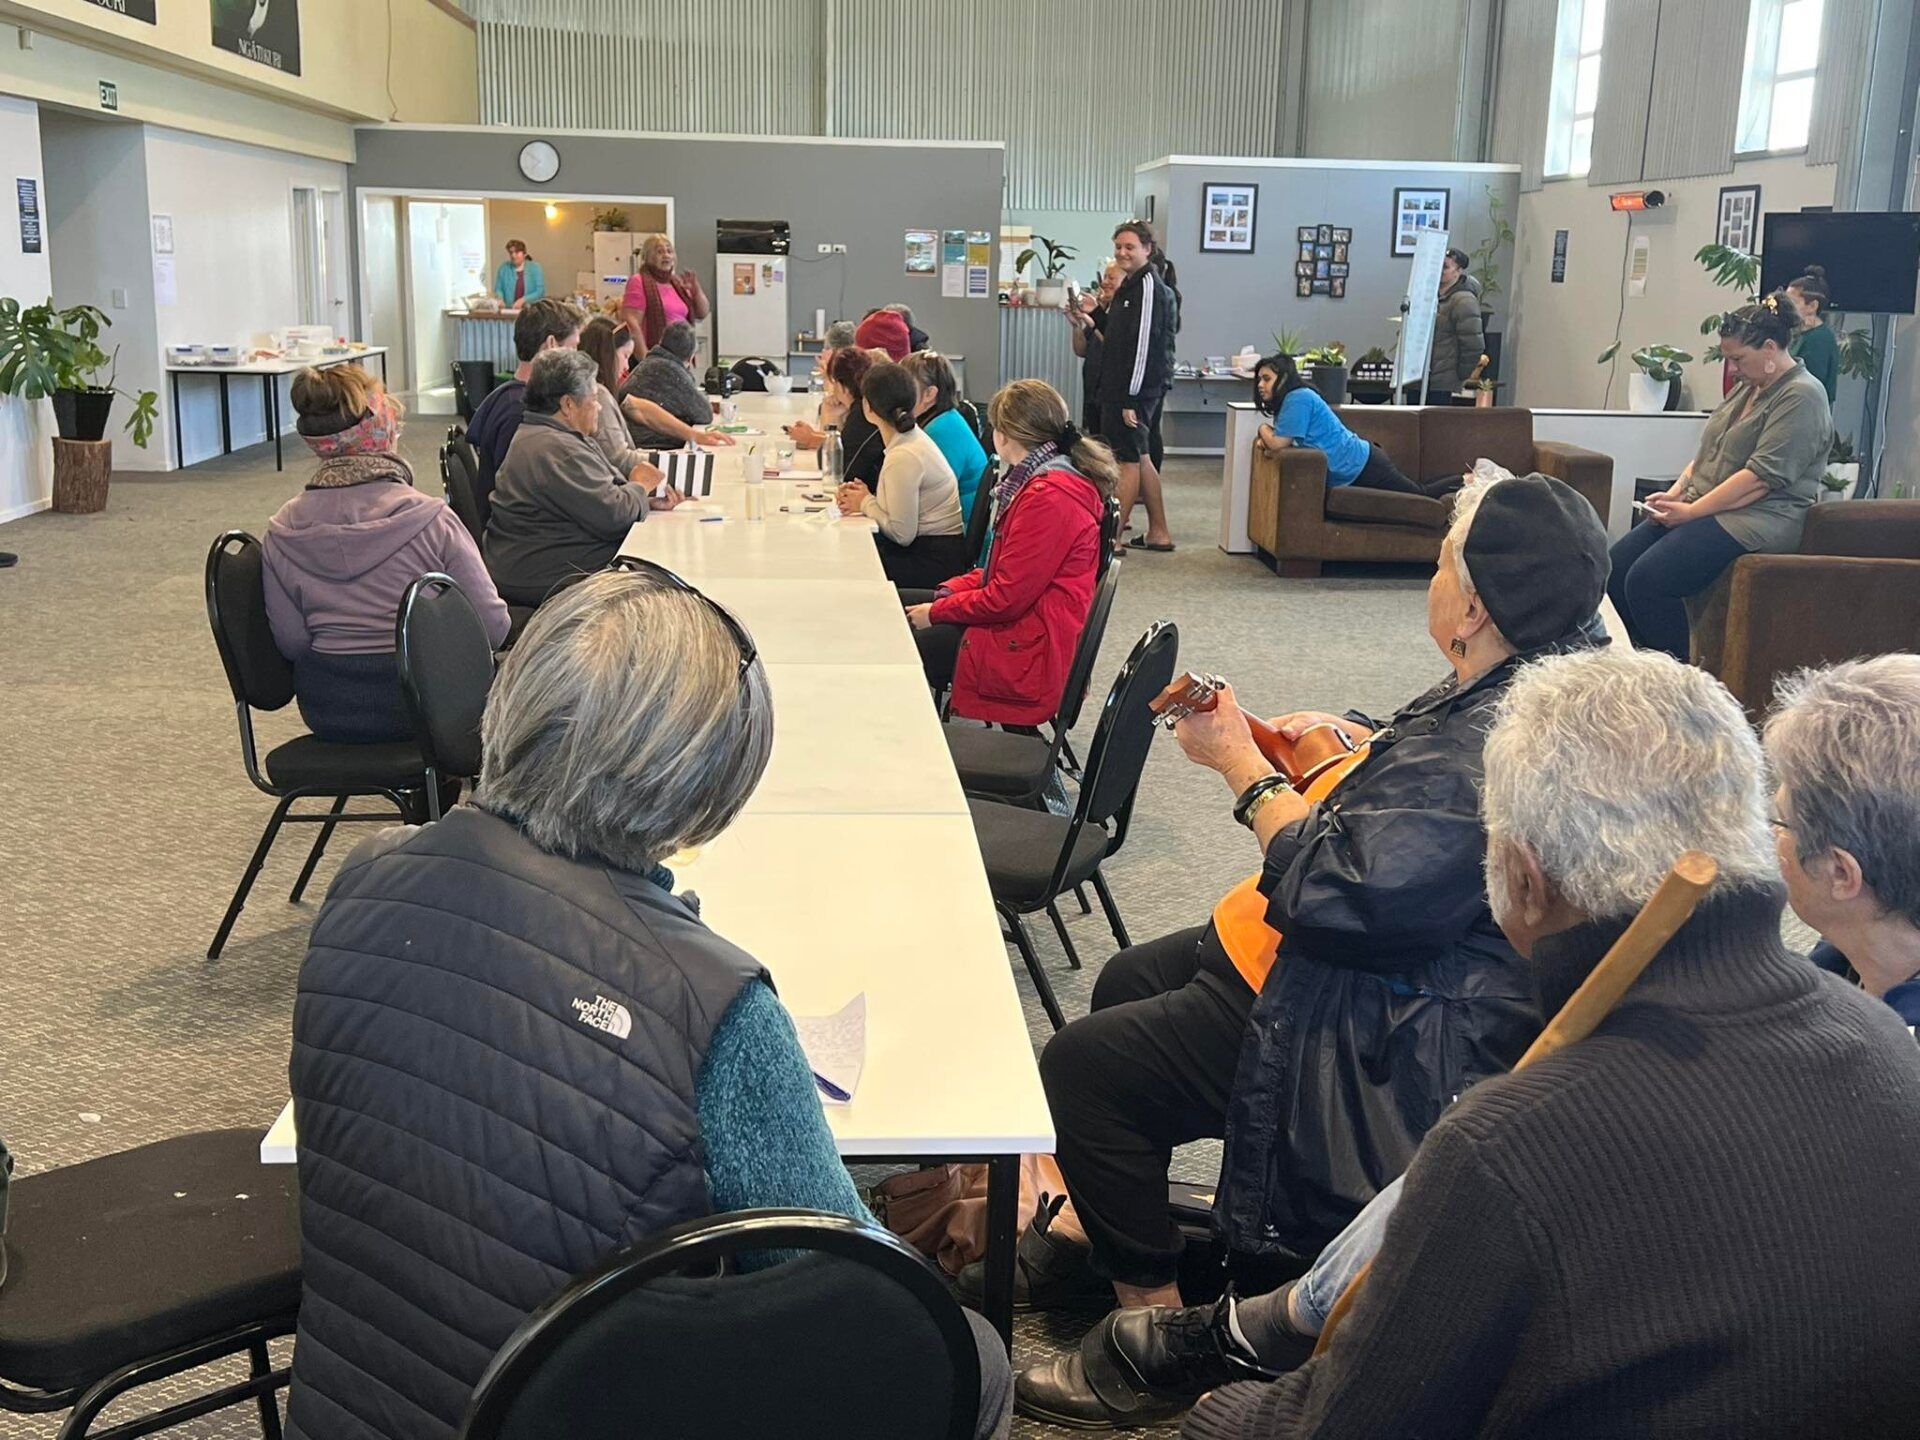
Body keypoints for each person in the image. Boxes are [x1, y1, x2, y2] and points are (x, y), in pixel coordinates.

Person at [1026, 656, 1920, 1417]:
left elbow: (1341, 1421)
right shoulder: (1877, 1042)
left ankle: (1216, 1334)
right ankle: (1244, 1320)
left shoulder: (1513, 1143)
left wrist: (1212, 1416)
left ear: (1521, 879)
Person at [280, 567, 1012, 1440]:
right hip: (572, 1411)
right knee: (970, 1355)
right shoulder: (714, 1009)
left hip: (356, 1406)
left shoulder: (366, 877)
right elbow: (862, 1300)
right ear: (706, 789)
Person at [1008, 474, 1613, 1427]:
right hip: (1398, 966)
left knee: (1083, 1070)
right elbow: (1413, 815)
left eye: (1444, 564)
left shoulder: (1485, 747)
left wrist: (1244, 771)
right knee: (1127, 979)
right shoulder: (1531, 679)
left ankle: (1155, 1337)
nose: (1434, 578)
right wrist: (1348, 749)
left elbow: (1346, 894)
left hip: (1392, 1015)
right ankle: (1122, 1234)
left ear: (1473, 611)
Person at [263, 365, 509, 744]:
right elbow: (493, 628)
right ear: (382, 429)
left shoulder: (282, 531)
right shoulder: (432, 520)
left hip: (328, 707)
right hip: (431, 704)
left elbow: (291, 642)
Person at [1608, 294, 1832, 660]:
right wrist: (1677, 493)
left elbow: (1760, 478)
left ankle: (1679, 678)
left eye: (1738, 358)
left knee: (1649, 581)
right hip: (1710, 505)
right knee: (1615, 569)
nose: (1733, 368)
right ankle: (1641, 665)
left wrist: (1691, 513)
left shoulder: (1802, 396)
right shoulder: (1749, 387)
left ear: (1770, 348)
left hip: (1760, 516)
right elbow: (1708, 451)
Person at [901, 380, 1109, 721]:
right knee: (897, 605)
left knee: (900, 644)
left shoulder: (1048, 498)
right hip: (1028, 629)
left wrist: (937, 611)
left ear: (1005, 435)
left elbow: (1006, 598)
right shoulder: (1044, 481)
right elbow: (1005, 575)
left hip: (1026, 647)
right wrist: (947, 594)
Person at [485, 350, 679, 606]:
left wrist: (643, 499)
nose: (599, 407)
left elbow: (602, 498)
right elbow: (614, 517)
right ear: (568, 404)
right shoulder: (559, 450)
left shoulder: (546, 436)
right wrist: (641, 485)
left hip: (536, 562)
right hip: (548, 574)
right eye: (594, 398)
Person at [837, 361, 966, 589]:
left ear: (868, 407)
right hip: (934, 552)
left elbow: (901, 534)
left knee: (848, 565)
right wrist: (863, 497)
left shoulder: (904, 455)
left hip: (931, 562)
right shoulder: (911, 439)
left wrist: (865, 502)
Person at [467, 298, 584, 527]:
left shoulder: (507, 397)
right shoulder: (520, 414)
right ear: (551, 344)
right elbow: (522, 496)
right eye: (574, 348)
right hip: (518, 532)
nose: (577, 359)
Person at [1099, 221, 1175, 551]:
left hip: (1134, 391)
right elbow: (1117, 337)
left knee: (1127, 461)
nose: (1122, 253)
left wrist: (1131, 397)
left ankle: (1113, 538)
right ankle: (1159, 531)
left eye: (1129, 247)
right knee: (1141, 458)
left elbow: (1143, 345)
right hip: (1127, 388)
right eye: (1118, 247)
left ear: (1147, 249)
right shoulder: (1129, 285)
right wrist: (1092, 316)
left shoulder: (1147, 287)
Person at [1252, 352, 1420, 494]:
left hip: (1362, 464)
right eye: (1259, 379)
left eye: (1266, 379)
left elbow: (1278, 443)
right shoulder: (1292, 400)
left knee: (1419, 495)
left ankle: (1440, 491)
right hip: (1353, 466)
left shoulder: (1297, 398)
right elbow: (1285, 440)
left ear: (1283, 379)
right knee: (1417, 493)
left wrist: (1263, 428)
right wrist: (1268, 438)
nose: (1260, 385)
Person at [901, 349, 989, 521]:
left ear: (929, 394)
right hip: (952, 519)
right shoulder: (945, 419)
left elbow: (928, 497)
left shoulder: (941, 430)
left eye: (905, 387)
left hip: (956, 525)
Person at [577, 315, 664, 486]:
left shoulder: (598, 392)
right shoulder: (599, 395)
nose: (627, 366)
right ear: (607, 354)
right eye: (625, 356)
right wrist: (669, 461)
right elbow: (619, 458)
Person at [619, 320, 733, 450]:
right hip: (654, 447)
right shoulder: (672, 371)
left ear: (661, 342)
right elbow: (705, 414)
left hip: (635, 445)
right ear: (690, 358)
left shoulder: (648, 363)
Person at [803, 345, 886, 489]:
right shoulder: (866, 406)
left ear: (840, 386)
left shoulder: (862, 415)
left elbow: (833, 469)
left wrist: (829, 416)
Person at [1410, 247, 1484, 402]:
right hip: (1417, 378)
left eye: (1445, 267)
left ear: (1458, 271)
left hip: (1442, 383)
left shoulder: (1464, 300)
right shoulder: (1428, 296)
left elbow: (1473, 344)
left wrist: (1460, 375)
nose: (1439, 271)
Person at [618, 232, 710, 351]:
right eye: (660, 252)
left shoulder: (677, 283)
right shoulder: (638, 281)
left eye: (669, 251)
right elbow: (631, 322)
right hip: (655, 353)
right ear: (648, 257)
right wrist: (645, 356)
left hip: (682, 354)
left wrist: (696, 290)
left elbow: (702, 313)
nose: (666, 255)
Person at [1068, 260, 1124, 436]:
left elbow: (1113, 346)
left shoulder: (1123, 314)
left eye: (1111, 278)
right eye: (1104, 277)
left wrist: (1093, 319)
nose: (1105, 282)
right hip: (1092, 391)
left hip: (1111, 394)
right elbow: (1081, 350)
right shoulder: (1103, 309)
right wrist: (1077, 325)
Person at [1787, 264, 1840, 402]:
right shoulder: (1797, 333)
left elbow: (1808, 389)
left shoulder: (1819, 340)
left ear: (1812, 306)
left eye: (1792, 302)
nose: (1785, 307)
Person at [491, 239, 544, 307]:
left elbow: (540, 291)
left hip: (530, 310)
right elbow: (498, 289)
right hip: (509, 310)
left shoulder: (535, 268)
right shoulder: (503, 268)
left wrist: (523, 300)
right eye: (511, 252)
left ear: (524, 254)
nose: (513, 255)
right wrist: (500, 299)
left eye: (517, 252)